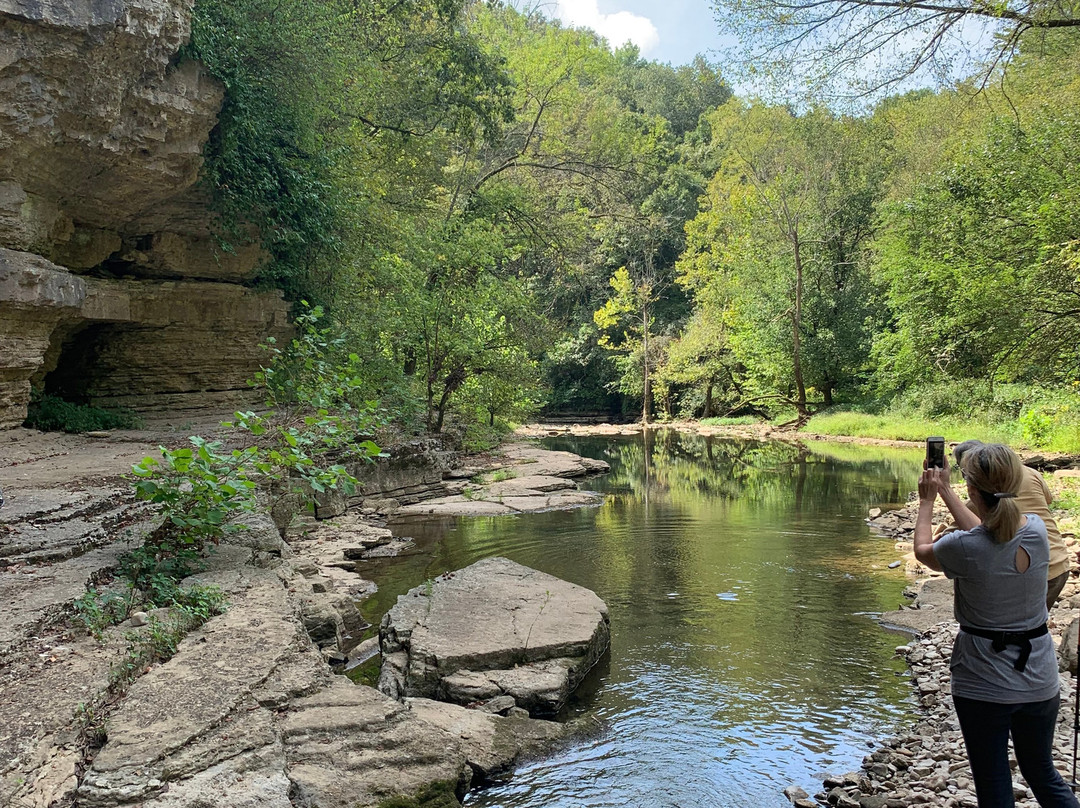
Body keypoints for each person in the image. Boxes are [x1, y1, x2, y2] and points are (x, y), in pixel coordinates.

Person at [914, 443, 1078, 808]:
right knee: (1043, 774)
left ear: (973, 489)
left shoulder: (963, 548)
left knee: (993, 782)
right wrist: (946, 491)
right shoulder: (1035, 530)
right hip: (1039, 677)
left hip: (983, 681)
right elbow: (990, 532)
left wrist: (928, 500)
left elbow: (924, 551)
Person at [951, 439, 1071, 611]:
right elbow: (1048, 500)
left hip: (1026, 573)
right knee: (1030, 626)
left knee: (1016, 627)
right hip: (1059, 564)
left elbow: (938, 545)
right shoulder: (1030, 473)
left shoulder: (979, 500)